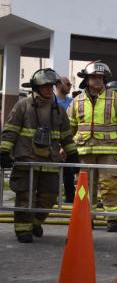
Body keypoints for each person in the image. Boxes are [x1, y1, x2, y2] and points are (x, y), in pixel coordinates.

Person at [0, 68, 79, 243]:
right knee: (24, 196)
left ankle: (35, 221)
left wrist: (73, 154)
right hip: (26, 159)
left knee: (50, 195)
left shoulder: (58, 109)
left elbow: (66, 135)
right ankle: (23, 230)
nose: (48, 89)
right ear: (36, 87)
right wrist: (5, 151)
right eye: (44, 86)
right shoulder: (23, 105)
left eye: (51, 85)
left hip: (50, 160)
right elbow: (11, 129)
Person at [68, 61, 117, 232]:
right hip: (84, 150)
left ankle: (112, 219)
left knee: (109, 184)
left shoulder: (115, 98)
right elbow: (69, 126)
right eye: (94, 77)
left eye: (101, 78)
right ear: (87, 79)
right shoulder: (77, 100)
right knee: (85, 187)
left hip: (109, 150)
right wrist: (66, 147)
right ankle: (86, 218)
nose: (98, 80)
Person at [55, 76, 76, 203]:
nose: (69, 86)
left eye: (70, 84)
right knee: (53, 172)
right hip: (55, 141)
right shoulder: (51, 101)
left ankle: (70, 198)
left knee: (68, 172)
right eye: (67, 84)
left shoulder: (73, 102)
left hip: (69, 142)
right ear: (58, 84)